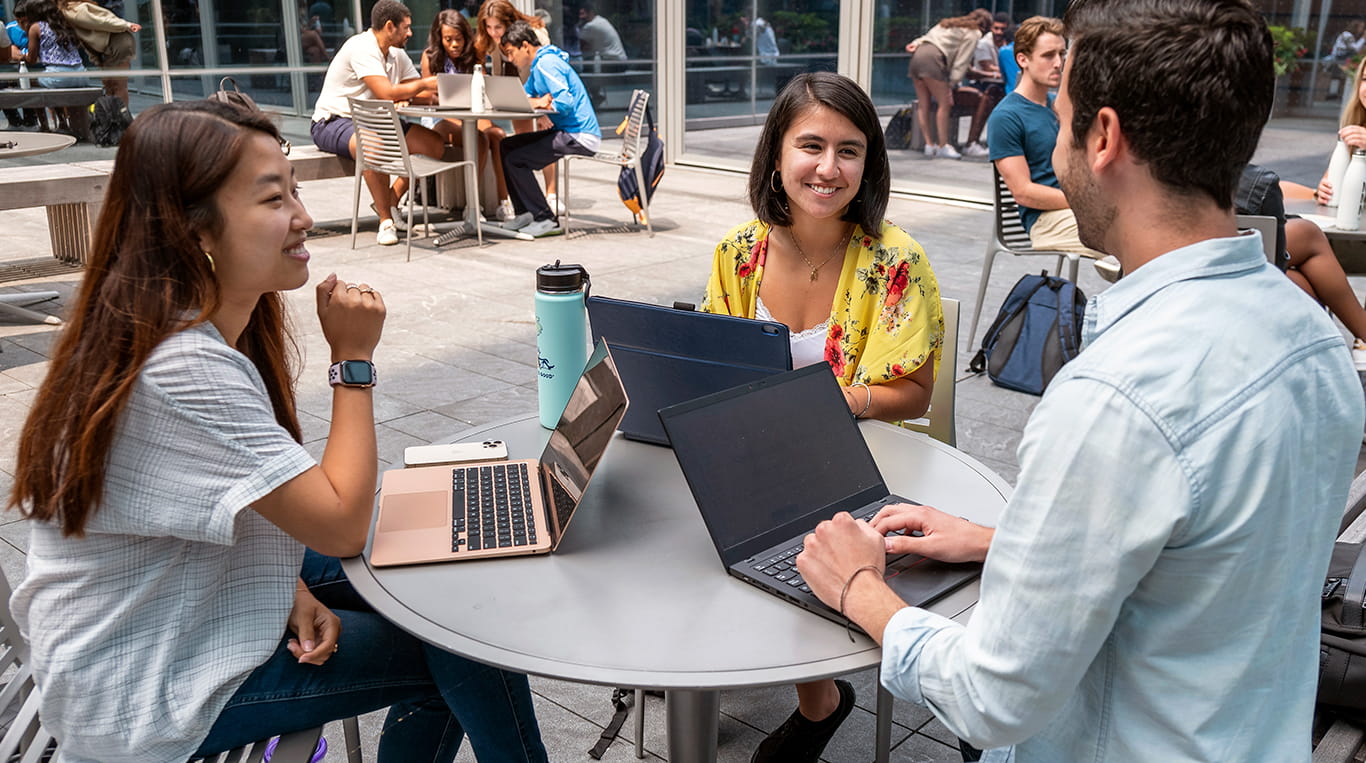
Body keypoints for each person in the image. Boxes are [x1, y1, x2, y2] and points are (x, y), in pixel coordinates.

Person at [797, 2, 1363, 762]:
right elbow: (1210, 562)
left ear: (1102, 138)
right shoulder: (1315, 340)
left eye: (1061, 124)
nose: (1056, 151)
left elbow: (991, 697)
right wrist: (1007, 544)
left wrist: (858, 587)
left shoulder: (1115, 397)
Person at [6, 100, 549, 763]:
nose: (302, 215)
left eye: (294, 188)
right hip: (146, 683)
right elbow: (342, 521)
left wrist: (290, 587)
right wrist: (353, 362)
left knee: (437, 572)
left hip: (175, 607)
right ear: (194, 228)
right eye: (273, 198)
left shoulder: (171, 324)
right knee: (467, 633)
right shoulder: (183, 365)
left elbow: (223, 499)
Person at [702, 71, 943, 762]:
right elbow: (717, 364)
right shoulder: (737, 252)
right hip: (758, 453)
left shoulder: (896, 261)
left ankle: (819, 699)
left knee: (763, 525)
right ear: (777, 153)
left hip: (860, 461)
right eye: (811, 145)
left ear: (869, 163)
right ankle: (703, 663)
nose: (828, 168)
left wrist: (841, 399)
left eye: (850, 150)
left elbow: (916, 393)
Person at [310, 0, 442, 247]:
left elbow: (414, 93)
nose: (410, 33)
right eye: (406, 27)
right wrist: (420, 85)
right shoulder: (362, 47)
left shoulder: (396, 54)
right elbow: (387, 92)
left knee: (433, 144)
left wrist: (413, 93)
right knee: (373, 145)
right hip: (334, 121)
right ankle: (385, 222)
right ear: (390, 26)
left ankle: (390, 201)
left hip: (378, 121)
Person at [987, 16, 1104, 263]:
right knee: (1128, 240)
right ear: (1023, 59)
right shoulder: (1006, 116)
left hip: (1076, 212)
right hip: (1045, 221)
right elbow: (1023, 192)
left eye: (1062, 54)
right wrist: (1083, 203)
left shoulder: (1059, 106)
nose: (1058, 63)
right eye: (1048, 55)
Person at [497, 19, 600, 238]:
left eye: (510, 52)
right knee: (507, 146)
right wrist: (537, 102)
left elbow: (565, 101)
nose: (509, 59)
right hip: (565, 132)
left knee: (518, 159)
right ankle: (525, 213)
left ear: (525, 45)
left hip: (580, 134)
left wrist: (544, 103)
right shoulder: (537, 67)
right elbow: (526, 97)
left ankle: (546, 219)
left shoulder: (547, 63)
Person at [420, 9, 513, 220]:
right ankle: (472, 204)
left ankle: (504, 201)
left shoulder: (475, 55)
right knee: (478, 140)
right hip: (442, 117)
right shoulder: (430, 57)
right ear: (439, 38)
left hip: (473, 113)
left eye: (459, 39)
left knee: (498, 135)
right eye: (448, 39)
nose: (454, 44)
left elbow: (485, 89)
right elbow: (430, 97)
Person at [475, 0, 559, 214]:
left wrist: (540, 109)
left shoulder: (535, 32)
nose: (493, 32)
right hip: (514, 90)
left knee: (544, 137)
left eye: (498, 27)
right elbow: (489, 66)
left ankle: (552, 195)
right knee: (522, 141)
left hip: (538, 89)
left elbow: (545, 69)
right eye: (488, 26)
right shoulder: (491, 39)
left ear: (509, 22)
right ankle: (528, 197)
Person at [904, 9, 991, 160]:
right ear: (984, 27)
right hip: (934, 60)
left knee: (924, 105)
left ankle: (929, 145)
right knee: (945, 104)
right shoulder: (974, 32)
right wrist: (952, 84)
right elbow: (961, 62)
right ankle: (943, 145)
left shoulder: (948, 23)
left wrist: (914, 43)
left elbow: (928, 37)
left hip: (918, 56)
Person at [14, 0, 89, 139]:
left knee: (33, 84)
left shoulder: (36, 27)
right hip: (81, 74)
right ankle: (63, 123)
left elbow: (31, 59)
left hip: (58, 76)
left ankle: (44, 127)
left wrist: (19, 56)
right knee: (49, 82)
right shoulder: (65, 23)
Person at [55, 0, 140, 106]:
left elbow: (100, 22)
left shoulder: (73, 10)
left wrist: (126, 25)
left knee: (117, 85)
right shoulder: (73, 10)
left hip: (118, 42)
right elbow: (91, 34)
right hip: (112, 43)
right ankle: (113, 118)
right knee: (112, 85)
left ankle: (120, 119)